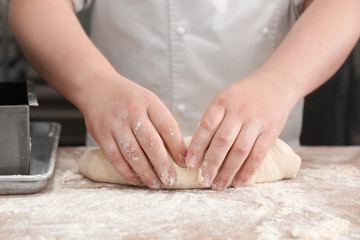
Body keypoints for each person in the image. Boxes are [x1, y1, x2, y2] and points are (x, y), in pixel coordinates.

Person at [8, 0, 360, 190]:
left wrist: (279, 82)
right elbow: (34, 4)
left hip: (261, 150)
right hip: (122, 152)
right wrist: (93, 84)